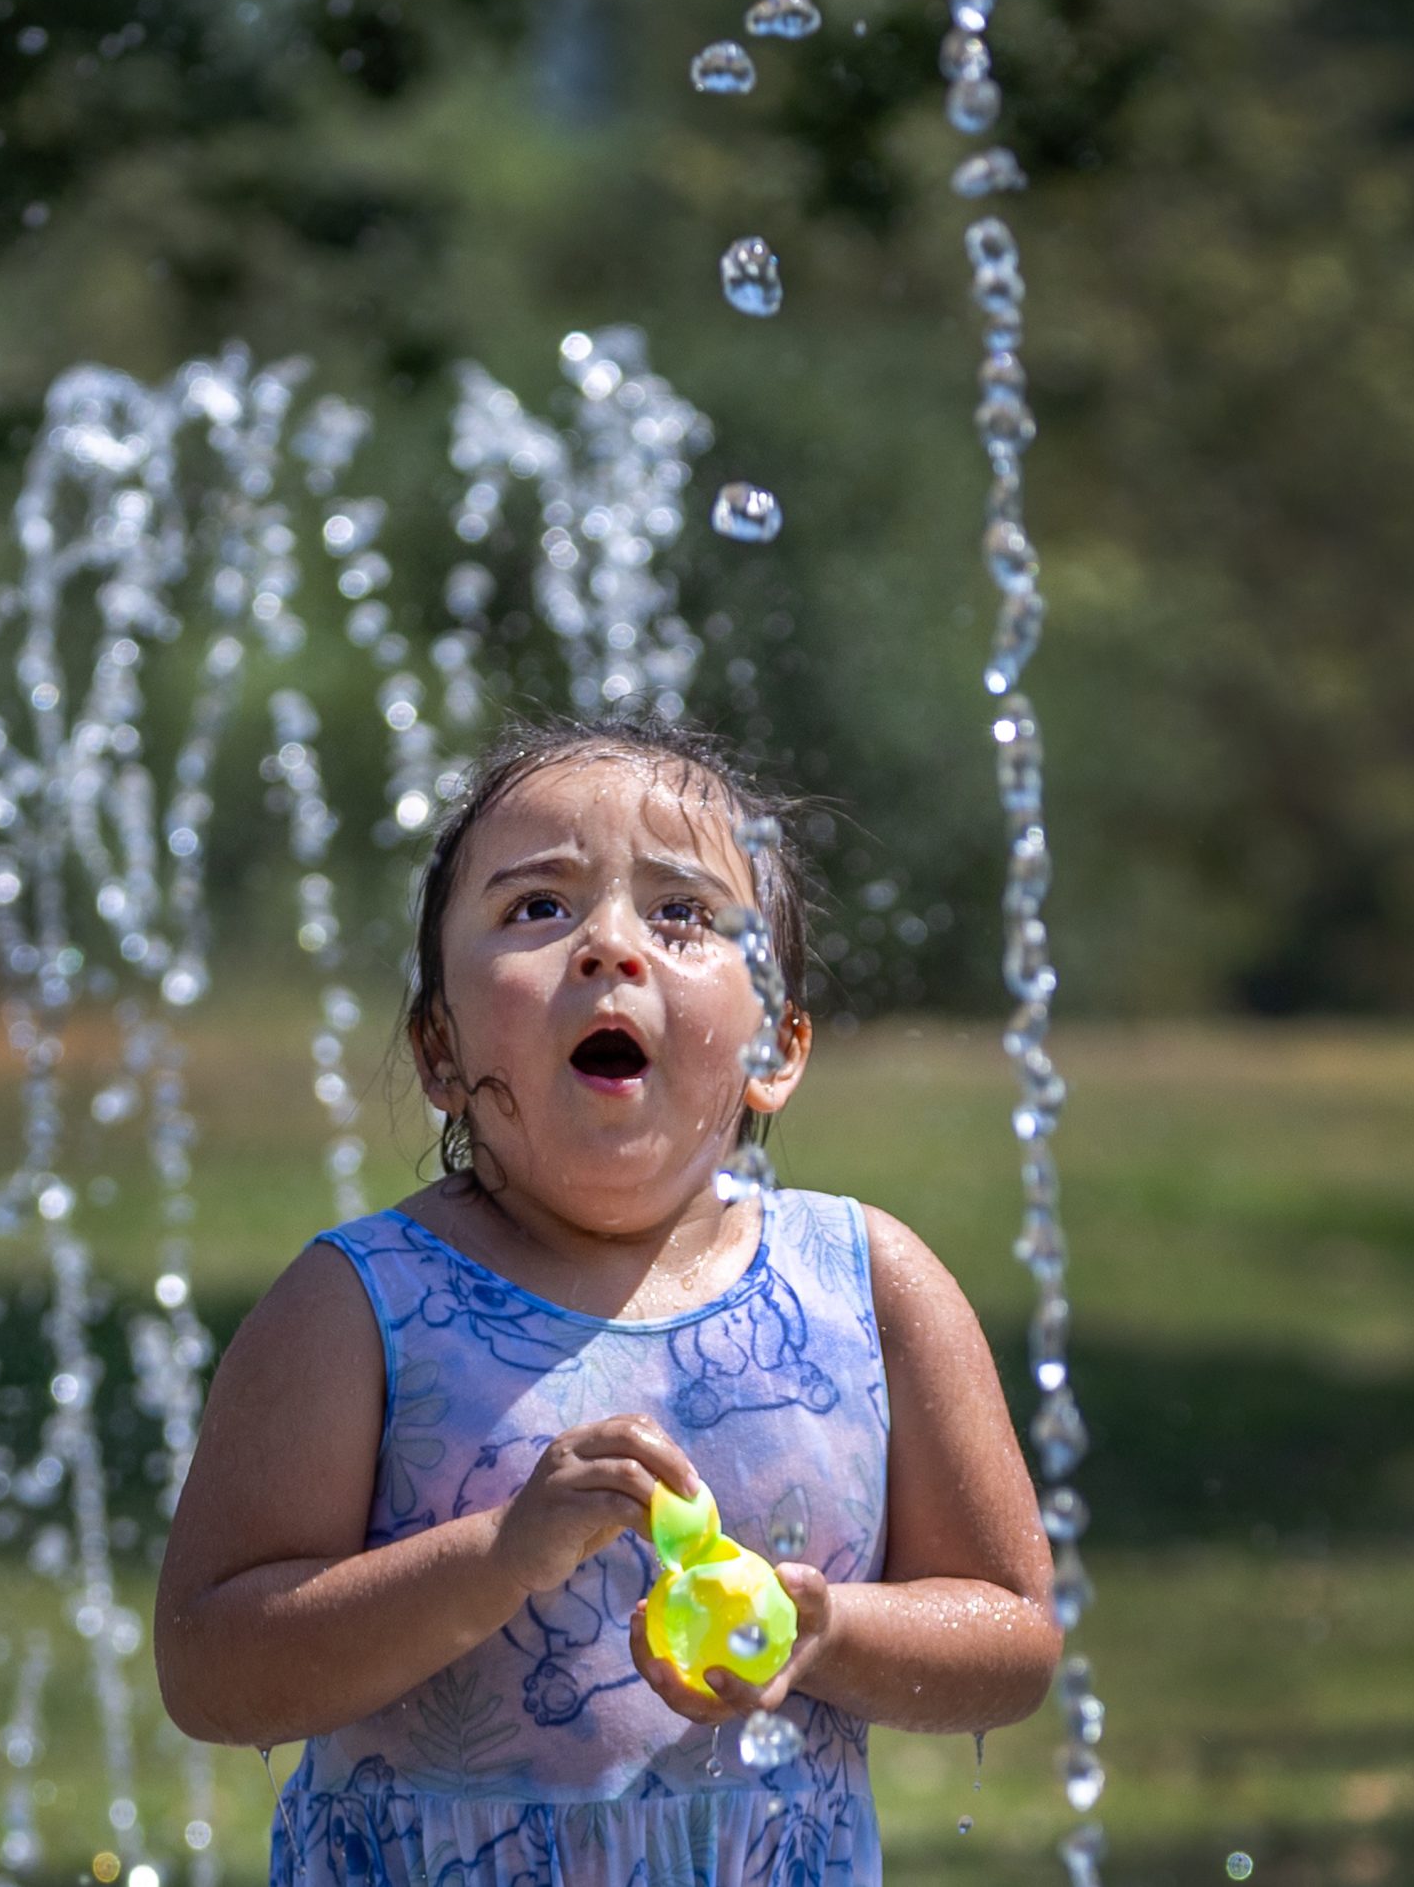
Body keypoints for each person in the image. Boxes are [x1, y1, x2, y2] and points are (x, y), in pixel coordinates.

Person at [154, 710, 1060, 1885]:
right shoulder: (360, 1307)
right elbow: (212, 1667)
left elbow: (1014, 1635)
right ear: (439, 1051)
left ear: (775, 1051)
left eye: (682, 914)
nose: (609, 947)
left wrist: (825, 1629)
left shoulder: (869, 1288)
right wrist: (491, 1561)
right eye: (537, 908)